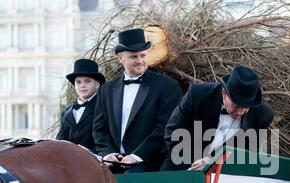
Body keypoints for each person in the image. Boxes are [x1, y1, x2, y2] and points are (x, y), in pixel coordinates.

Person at [93, 28, 182, 173]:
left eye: (143, 55)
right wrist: (108, 154)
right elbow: (99, 129)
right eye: (134, 57)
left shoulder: (167, 86)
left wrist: (136, 156)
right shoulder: (106, 90)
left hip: (148, 162)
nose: (140, 61)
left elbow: (165, 128)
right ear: (120, 58)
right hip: (112, 163)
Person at [161, 65, 274, 171]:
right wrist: (194, 167)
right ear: (224, 93)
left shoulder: (263, 115)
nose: (241, 112)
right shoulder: (197, 95)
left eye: (247, 107)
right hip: (181, 165)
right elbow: (172, 134)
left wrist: (213, 163)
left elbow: (248, 156)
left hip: (225, 174)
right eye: (237, 105)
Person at [57, 59, 105, 153]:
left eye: (87, 81)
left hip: (96, 161)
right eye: (78, 82)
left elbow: (106, 140)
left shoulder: (104, 108)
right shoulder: (66, 112)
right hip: (69, 161)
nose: (82, 85)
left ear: (97, 84)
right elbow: (61, 141)